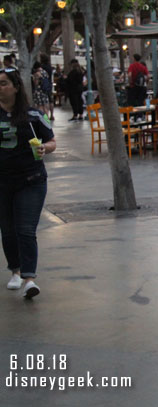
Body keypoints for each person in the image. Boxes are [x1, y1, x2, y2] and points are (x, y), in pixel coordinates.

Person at [0, 68, 56, 299]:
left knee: (25, 229)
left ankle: (29, 279)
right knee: (8, 229)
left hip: (31, 180)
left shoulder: (32, 115)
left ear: (15, 87)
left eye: (3, 83)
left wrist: (45, 148)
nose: (0, 87)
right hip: (2, 180)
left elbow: (51, 141)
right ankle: (15, 270)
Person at [39, 54, 54, 120]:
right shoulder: (49, 67)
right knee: (50, 100)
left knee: (43, 102)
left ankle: (45, 116)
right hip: (49, 84)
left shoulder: (42, 68)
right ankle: (52, 115)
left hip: (43, 85)